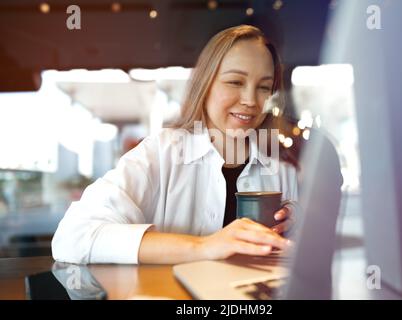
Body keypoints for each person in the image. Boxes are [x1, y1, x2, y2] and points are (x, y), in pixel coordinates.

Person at [52, 25, 299, 265]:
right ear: (206, 83)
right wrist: (205, 246)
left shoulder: (282, 165)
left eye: (264, 88)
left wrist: (298, 228)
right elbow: (73, 236)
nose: (250, 101)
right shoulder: (161, 152)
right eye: (235, 82)